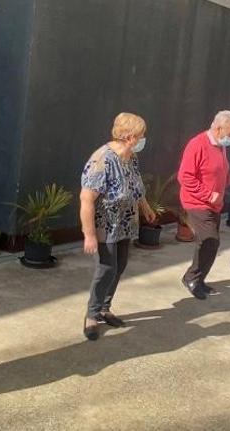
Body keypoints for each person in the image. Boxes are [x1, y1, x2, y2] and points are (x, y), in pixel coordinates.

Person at [80, 113, 157, 341]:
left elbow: (135, 186)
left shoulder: (131, 157)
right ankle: (92, 315)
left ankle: (105, 308)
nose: (144, 139)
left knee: (119, 266)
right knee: (106, 269)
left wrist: (145, 207)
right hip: (106, 225)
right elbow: (86, 200)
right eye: (142, 135)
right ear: (131, 137)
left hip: (126, 223)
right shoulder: (102, 159)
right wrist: (89, 235)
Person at [178, 110, 230, 300]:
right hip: (197, 202)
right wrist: (207, 194)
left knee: (209, 243)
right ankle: (192, 278)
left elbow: (218, 170)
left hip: (214, 203)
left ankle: (198, 279)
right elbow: (185, 177)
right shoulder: (197, 144)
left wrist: (229, 179)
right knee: (210, 240)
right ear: (218, 128)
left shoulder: (220, 145)